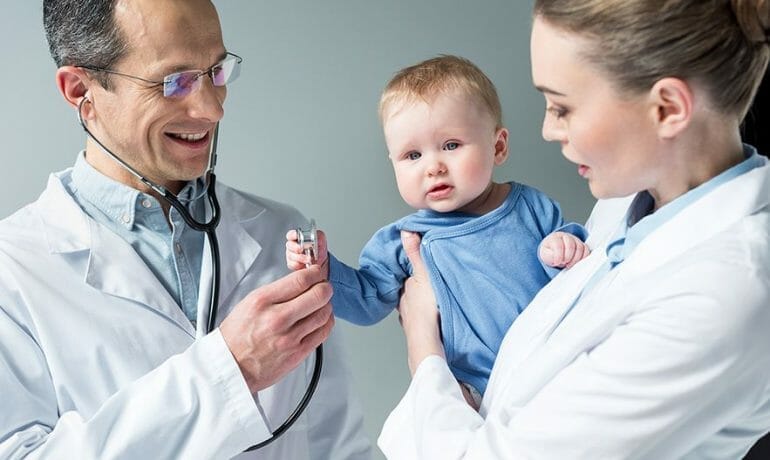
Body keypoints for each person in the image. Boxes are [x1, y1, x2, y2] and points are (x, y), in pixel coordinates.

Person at [378, 0, 770, 458]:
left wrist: (423, 344)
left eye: (562, 107)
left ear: (667, 108)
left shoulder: (724, 293)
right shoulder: (630, 206)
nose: (547, 129)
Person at [0, 0, 371, 458]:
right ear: (80, 90)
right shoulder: (12, 272)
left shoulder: (284, 235)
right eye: (174, 81)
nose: (211, 109)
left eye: (216, 72)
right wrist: (230, 372)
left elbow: (340, 446)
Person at [286, 55, 589, 403]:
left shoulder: (530, 206)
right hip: (475, 387)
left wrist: (565, 244)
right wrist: (323, 269)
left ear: (498, 146)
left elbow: (574, 271)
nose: (433, 167)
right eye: (413, 155)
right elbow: (367, 301)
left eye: (451, 146)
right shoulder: (405, 240)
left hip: (550, 361)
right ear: (393, 163)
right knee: (442, 403)